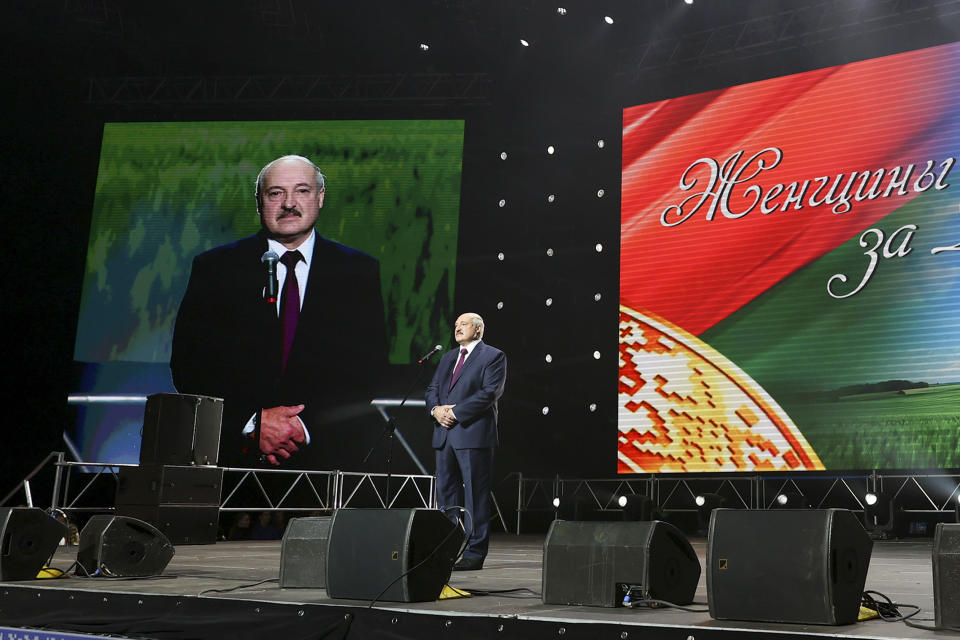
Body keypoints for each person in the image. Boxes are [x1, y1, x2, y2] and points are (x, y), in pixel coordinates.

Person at [170, 155, 388, 469]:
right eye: (275, 193)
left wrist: (303, 426)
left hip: (323, 462)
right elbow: (189, 366)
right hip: (232, 462)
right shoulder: (216, 268)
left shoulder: (357, 271)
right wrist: (252, 422)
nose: (288, 203)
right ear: (259, 202)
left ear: (320, 197)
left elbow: (368, 368)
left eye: (301, 191)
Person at [425, 312, 506, 571]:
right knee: (446, 495)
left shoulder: (493, 356)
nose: (457, 328)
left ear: (479, 329)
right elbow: (432, 389)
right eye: (456, 324)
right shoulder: (448, 357)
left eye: (464, 324)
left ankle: (474, 553)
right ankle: (447, 549)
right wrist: (436, 410)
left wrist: (454, 413)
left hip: (472, 434)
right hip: (445, 434)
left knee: (475, 496)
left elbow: (489, 392)